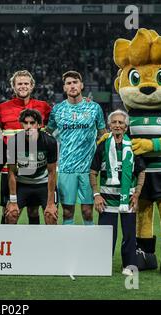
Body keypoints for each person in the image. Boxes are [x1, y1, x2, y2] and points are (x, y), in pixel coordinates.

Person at [90, 110, 146, 276]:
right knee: (106, 235)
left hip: (127, 199)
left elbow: (141, 172)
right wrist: (96, 195)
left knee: (129, 235)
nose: (117, 125)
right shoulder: (102, 146)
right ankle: (102, 264)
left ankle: (129, 265)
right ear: (109, 125)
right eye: (114, 122)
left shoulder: (133, 147)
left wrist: (136, 195)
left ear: (126, 127)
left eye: (121, 123)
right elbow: (93, 171)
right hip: (107, 200)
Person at [47, 70, 107, 225]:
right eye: (69, 83)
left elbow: (103, 135)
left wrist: (102, 159)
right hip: (66, 167)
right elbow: (47, 134)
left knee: (88, 212)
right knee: (67, 212)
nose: (72, 86)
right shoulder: (57, 110)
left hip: (88, 169)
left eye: (75, 82)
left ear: (81, 85)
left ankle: (88, 245)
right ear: (64, 88)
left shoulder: (94, 108)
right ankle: (68, 246)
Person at [0, 70, 51, 224]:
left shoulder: (43, 107)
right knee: (7, 210)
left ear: (32, 86)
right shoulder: (1, 108)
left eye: (26, 83)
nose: (23, 86)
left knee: (33, 209)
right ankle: (6, 245)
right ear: (13, 86)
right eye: (19, 83)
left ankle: (33, 245)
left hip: (36, 168)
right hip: (9, 169)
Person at [5, 109, 58, 225]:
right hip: (22, 184)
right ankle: (11, 242)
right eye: (25, 123)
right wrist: (13, 201)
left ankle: (53, 242)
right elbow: (12, 172)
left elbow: (52, 173)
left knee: (51, 215)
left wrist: (50, 203)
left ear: (39, 125)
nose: (29, 126)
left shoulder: (49, 142)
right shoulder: (14, 142)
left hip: (43, 183)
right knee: (11, 215)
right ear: (22, 124)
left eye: (32, 123)